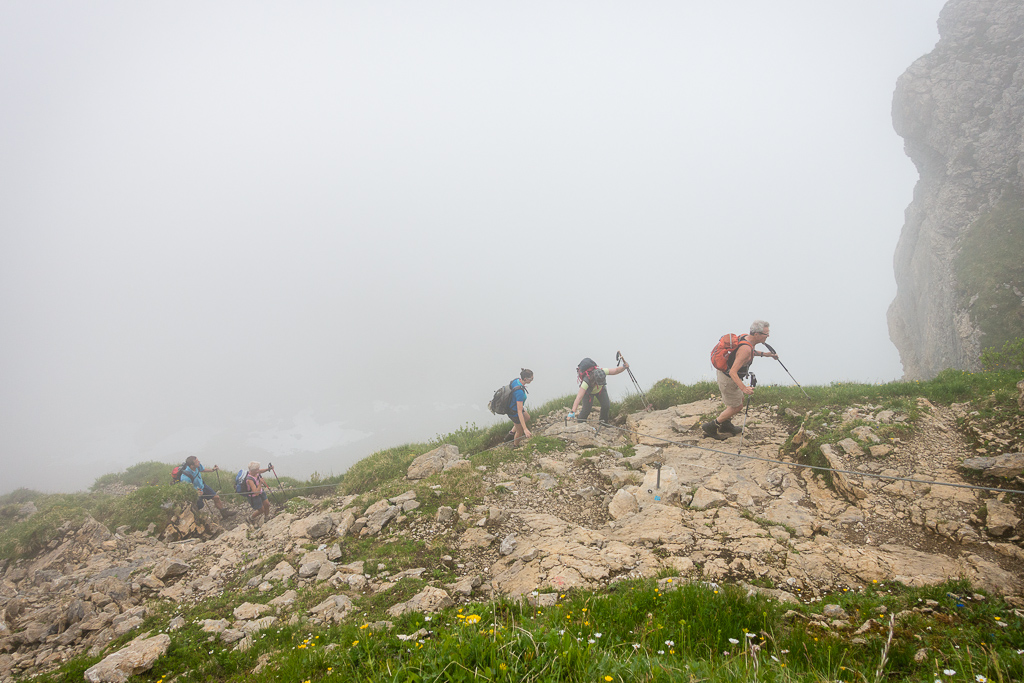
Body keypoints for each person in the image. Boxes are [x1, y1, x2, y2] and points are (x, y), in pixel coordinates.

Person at [702, 320, 777, 440]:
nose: (768, 336)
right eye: (766, 334)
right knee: (737, 407)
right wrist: (744, 388)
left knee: (738, 400)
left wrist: (766, 354)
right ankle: (711, 426)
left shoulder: (745, 338)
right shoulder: (746, 349)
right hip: (728, 379)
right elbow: (733, 371)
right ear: (757, 334)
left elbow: (748, 353)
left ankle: (726, 425)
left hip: (726, 376)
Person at [568, 355, 629, 425]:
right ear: (595, 380)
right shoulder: (586, 382)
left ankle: (603, 423)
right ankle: (580, 423)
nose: (600, 384)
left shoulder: (602, 371)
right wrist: (572, 411)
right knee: (586, 410)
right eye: (599, 383)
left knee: (606, 405)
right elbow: (578, 397)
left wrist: (624, 367)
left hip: (600, 391)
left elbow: (615, 371)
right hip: (588, 393)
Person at [507, 369, 534, 446]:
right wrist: (525, 429)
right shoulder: (519, 392)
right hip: (514, 412)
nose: (532, 380)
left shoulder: (516, 380)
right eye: (531, 379)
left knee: (527, 417)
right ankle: (515, 445)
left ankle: (511, 434)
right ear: (525, 379)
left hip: (512, 406)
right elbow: (519, 411)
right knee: (520, 431)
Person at [242, 461, 274, 525]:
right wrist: (260, 483)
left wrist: (268, 469)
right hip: (254, 496)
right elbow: (256, 493)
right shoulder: (249, 479)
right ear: (253, 470)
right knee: (261, 510)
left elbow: (261, 471)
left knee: (267, 504)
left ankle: (266, 517)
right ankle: (251, 518)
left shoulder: (255, 472)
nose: (258, 470)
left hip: (261, 491)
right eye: (257, 469)